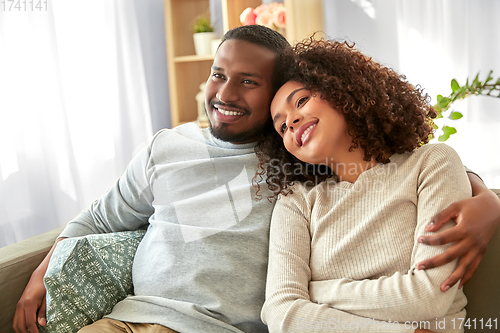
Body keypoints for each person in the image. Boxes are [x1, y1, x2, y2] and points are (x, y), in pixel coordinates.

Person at [13, 26, 500, 333]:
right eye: (218, 74)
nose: (225, 91)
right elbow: (98, 218)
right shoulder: (180, 152)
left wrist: (489, 200)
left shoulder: (288, 170)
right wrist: (42, 274)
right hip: (133, 318)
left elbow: (413, 173)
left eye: (249, 82)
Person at [255, 37, 496, 333]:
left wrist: (316, 292)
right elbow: (282, 314)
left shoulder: (432, 163)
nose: (291, 122)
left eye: (301, 101)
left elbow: (428, 296)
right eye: (281, 127)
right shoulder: (296, 201)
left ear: (340, 89)